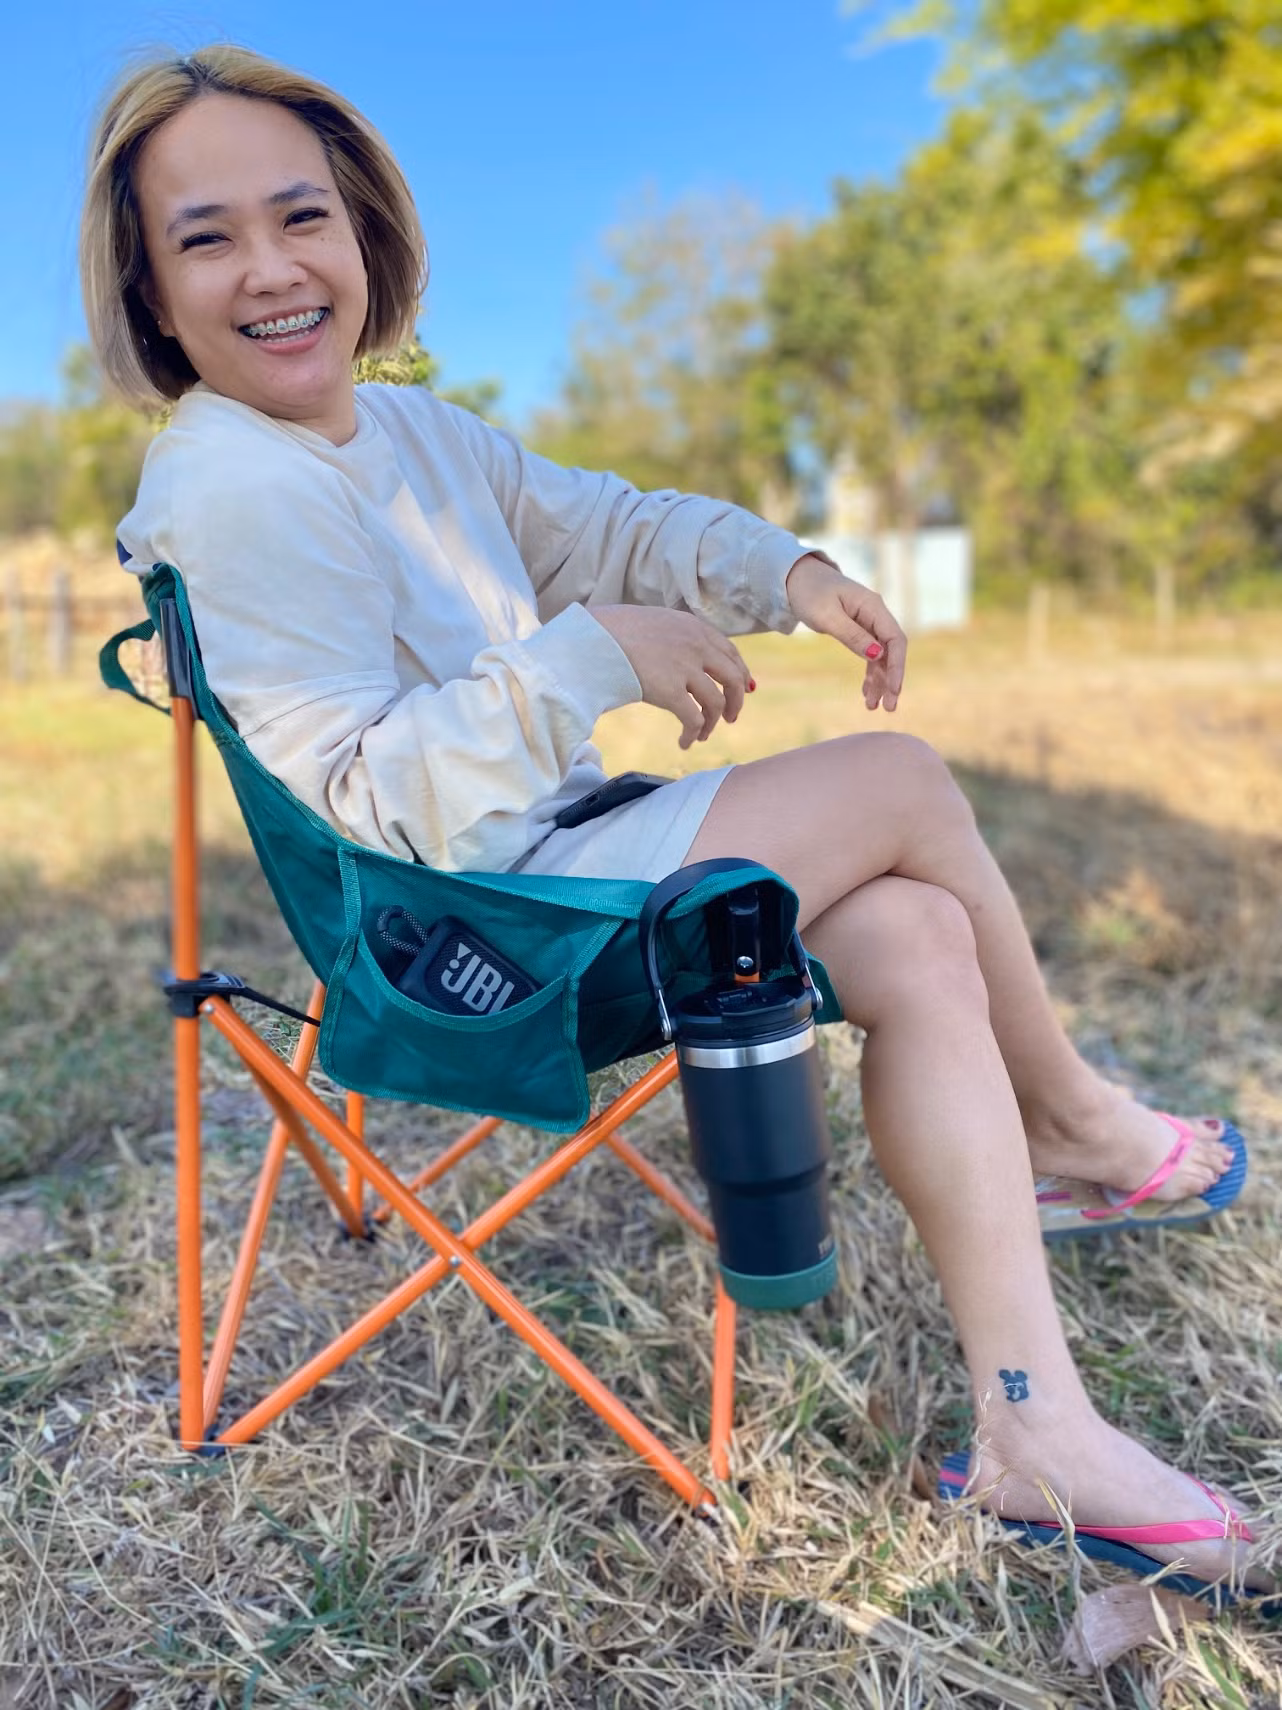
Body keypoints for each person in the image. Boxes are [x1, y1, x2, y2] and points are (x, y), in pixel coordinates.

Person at [82, 44, 1267, 1601]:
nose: (272, 267)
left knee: (914, 929)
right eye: (207, 238)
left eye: (301, 215)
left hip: (557, 858)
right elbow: (372, 800)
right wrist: (588, 658)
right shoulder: (234, 483)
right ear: (153, 295)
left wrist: (786, 573)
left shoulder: (412, 438)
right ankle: (1080, 1128)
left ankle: (1033, 1427)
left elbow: (607, 524)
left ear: (362, 228)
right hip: (461, 940)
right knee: (900, 784)